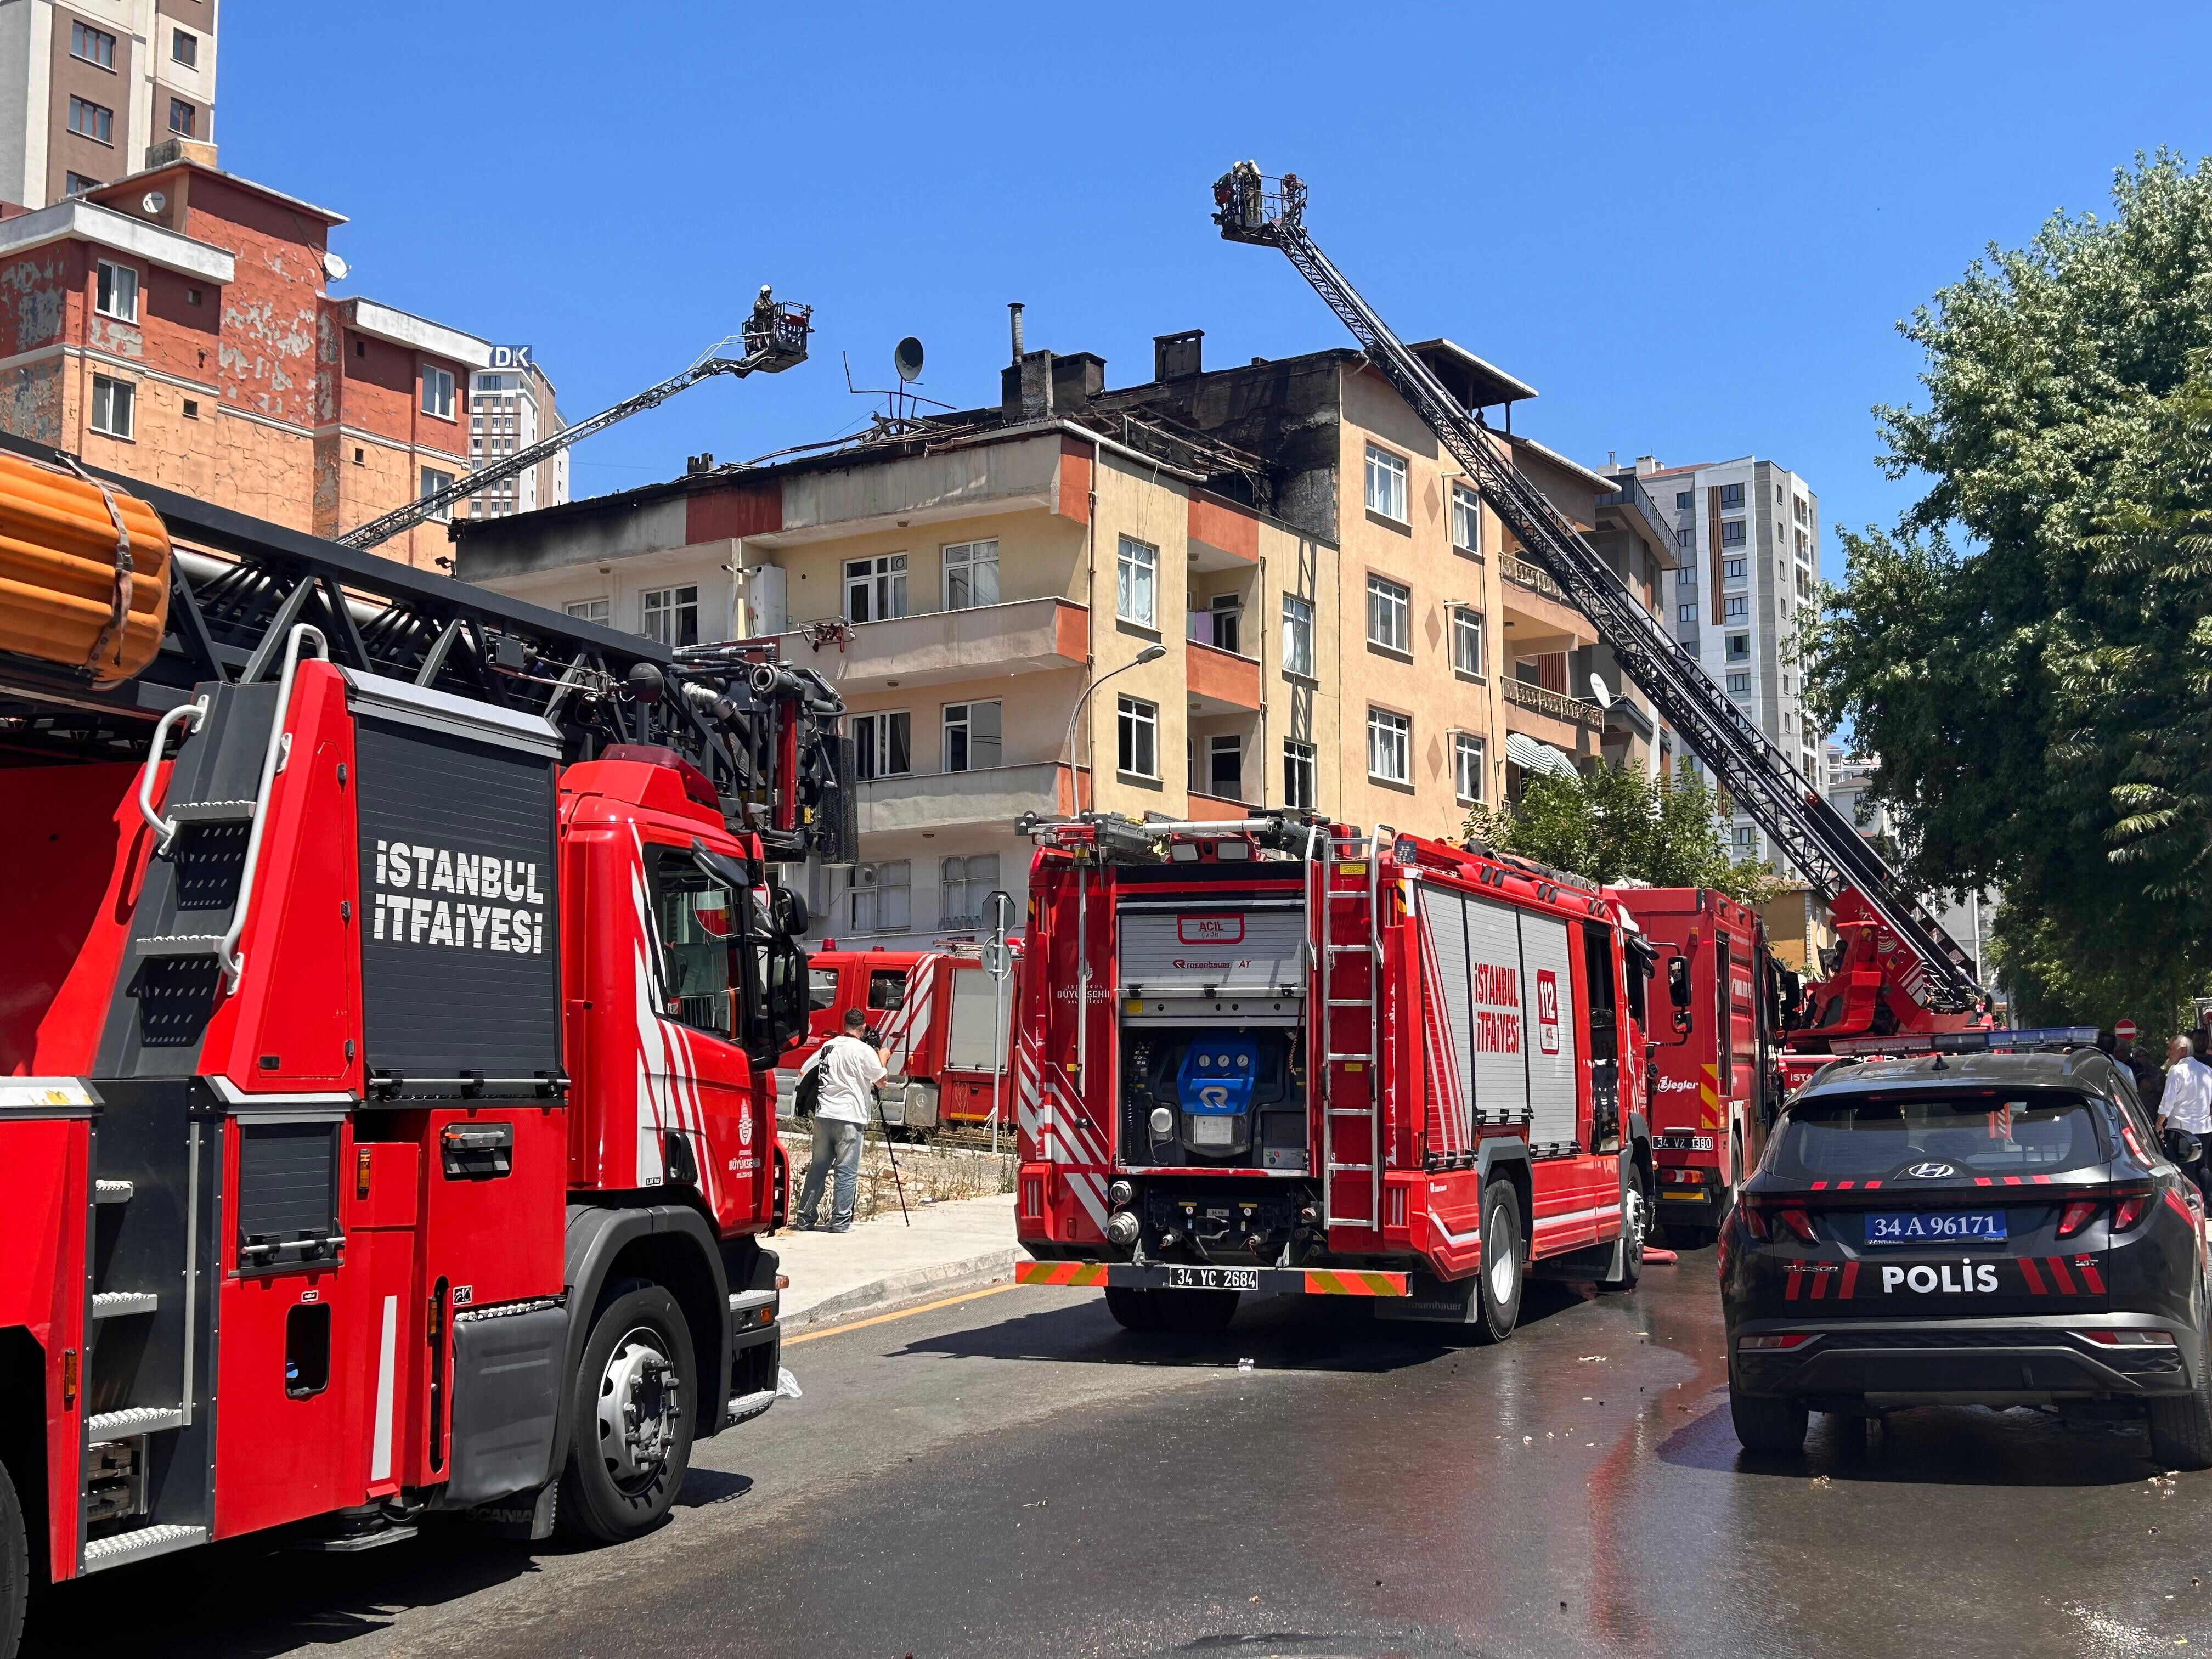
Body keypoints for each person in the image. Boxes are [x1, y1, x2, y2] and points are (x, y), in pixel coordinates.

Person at [794, 1008, 888, 1233]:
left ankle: (805, 1219)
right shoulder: (864, 1051)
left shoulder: (828, 1047)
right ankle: (840, 1222)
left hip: (824, 1114)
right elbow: (881, 1081)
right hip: (849, 1117)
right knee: (846, 1170)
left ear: (844, 1025)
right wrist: (883, 1057)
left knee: (818, 1167)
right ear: (863, 1027)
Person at [2155, 1034, 2212, 1205]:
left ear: (2182, 1050)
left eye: (2170, 1049)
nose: (2168, 1054)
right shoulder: (2207, 1071)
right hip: (2204, 1128)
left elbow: (2168, 1102)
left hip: (2182, 1130)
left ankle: (2194, 1204)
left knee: (2186, 1169)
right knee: (2203, 1167)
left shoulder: (2177, 1071)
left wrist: (2159, 1123)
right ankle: (2209, 1202)